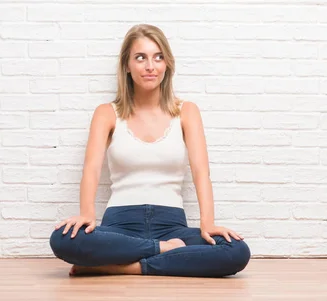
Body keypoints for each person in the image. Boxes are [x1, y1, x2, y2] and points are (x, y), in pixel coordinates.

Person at [49, 24, 251, 277]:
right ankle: (162, 250)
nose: (150, 66)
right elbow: (90, 170)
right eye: (140, 57)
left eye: (158, 57)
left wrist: (207, 223)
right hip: (120, 226)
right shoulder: (106, 113)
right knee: (62, 239)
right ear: (127, 65)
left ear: (167, 64)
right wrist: (87, 214)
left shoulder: (186, 111)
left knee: (236, 251)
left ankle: (126, 267)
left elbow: (202, 173)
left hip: (172, 226)